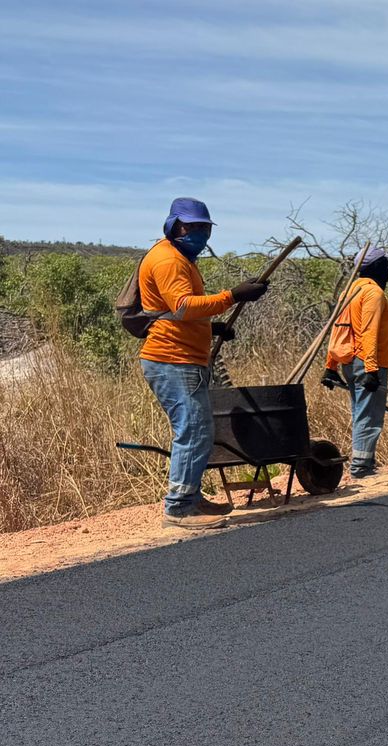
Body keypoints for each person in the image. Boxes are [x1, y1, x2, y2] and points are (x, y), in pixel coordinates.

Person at [137, 197, 269, 529]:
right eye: (191, 227)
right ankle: (180, 507)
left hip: (182, 356)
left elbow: (170, 313)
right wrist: (233, 296)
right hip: (172, 359)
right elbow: (182, 307)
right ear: (173, 226)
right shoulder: (169, 260)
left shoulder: (181, 258)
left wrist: (211, 328)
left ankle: (191, 498)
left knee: (198, 428)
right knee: (193, 429)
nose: (199, 234)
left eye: (204, 228)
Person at [320, 247, 388, 479]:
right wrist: (371, 369)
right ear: (375, 268)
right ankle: (361, 468)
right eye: (385, 265)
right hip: (367, 363)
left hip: (349, 362)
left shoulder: (349, 291)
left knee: (360, 411)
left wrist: (330, 366)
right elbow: (368, 332)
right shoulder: (373, 293)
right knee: (369, 415)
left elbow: (338, 330)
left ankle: (365, 463)